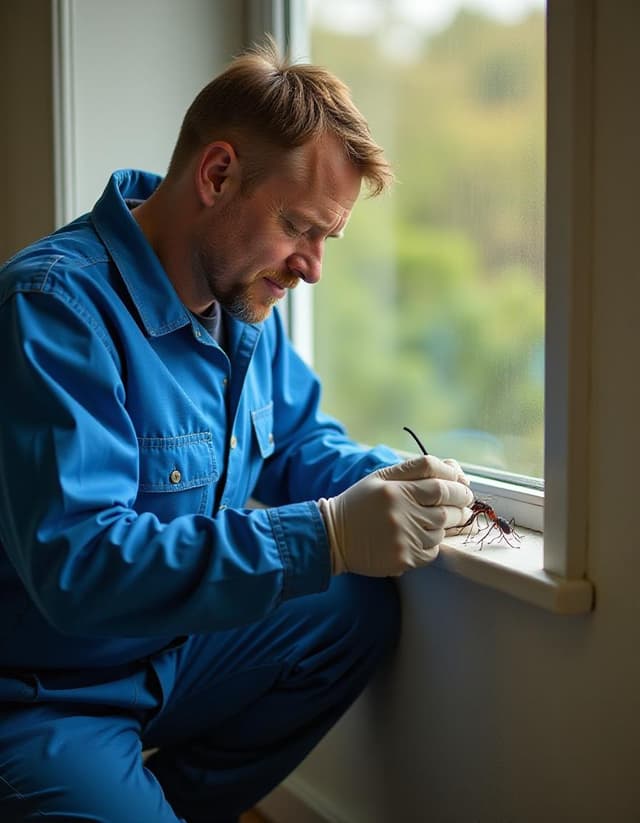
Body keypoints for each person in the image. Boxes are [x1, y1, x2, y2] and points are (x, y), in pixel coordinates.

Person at [0, 40, 473, 823]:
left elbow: (298, 446)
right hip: (43, 688)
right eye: (300, 227)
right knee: (330, 569)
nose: (313, 267)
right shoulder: (52, 309)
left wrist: (396, 483)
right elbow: (80, 565)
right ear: (217, 176)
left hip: (169, 651)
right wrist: (323, 535)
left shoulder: (242, 305)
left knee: (353, 611)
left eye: (329, 238)